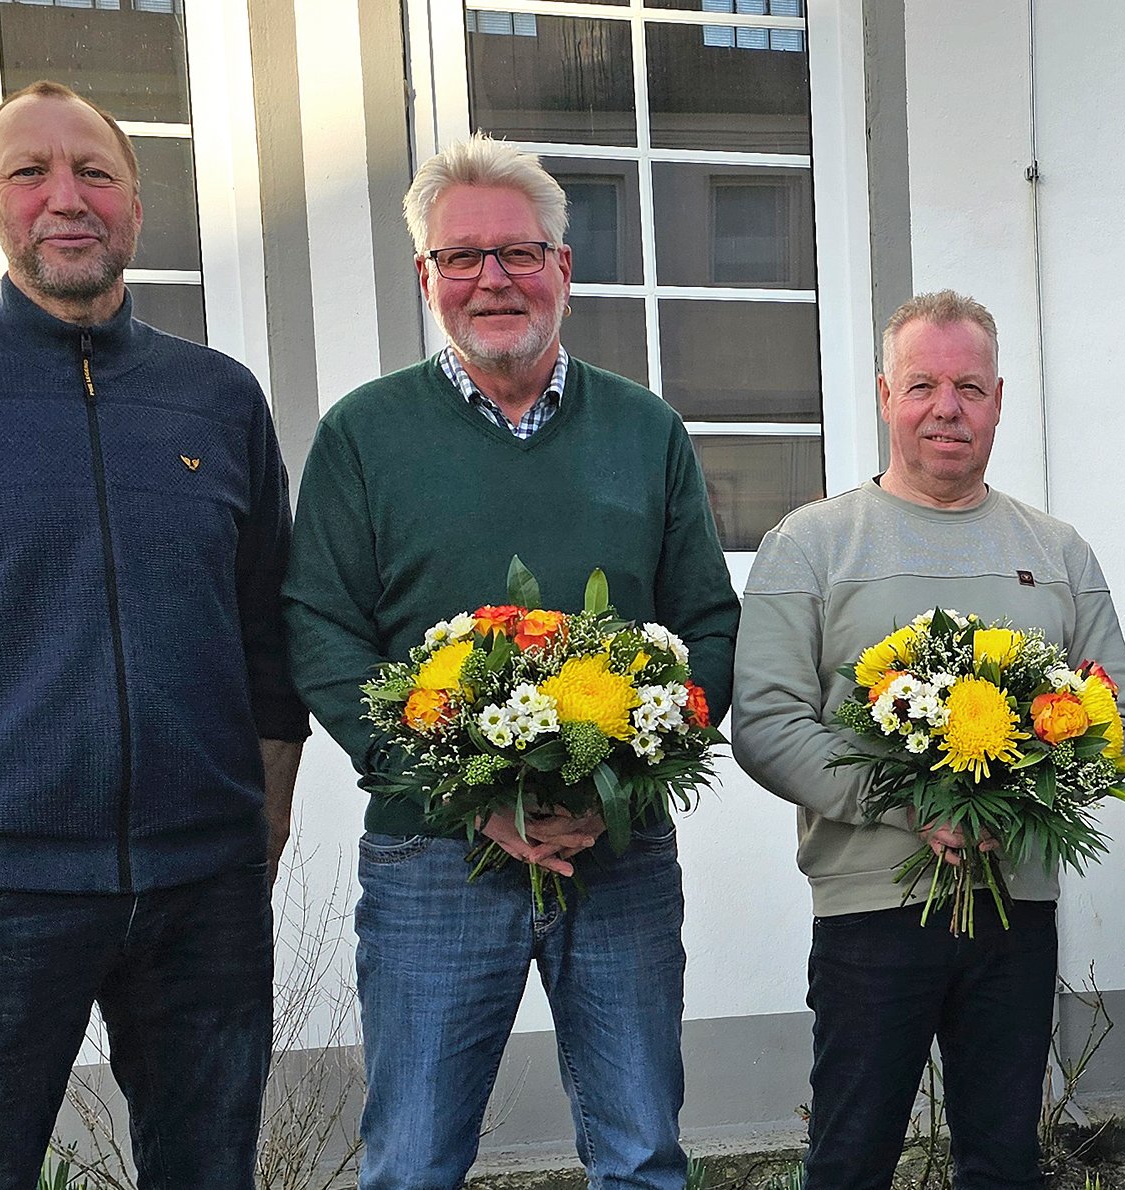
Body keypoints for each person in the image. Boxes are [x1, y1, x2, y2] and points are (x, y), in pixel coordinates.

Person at [0, 80, 307, 1188]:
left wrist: (260, 826)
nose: (64, 197)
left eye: (94, 172)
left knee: (208, 1167)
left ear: (136, 201)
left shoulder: (217, 399)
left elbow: (269, 646)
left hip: (200, 888)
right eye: (29, 173)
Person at [282, 134, 738, 1190]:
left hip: (614, 854)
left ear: (565, 270)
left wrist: (621, 790)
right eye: (462, 257)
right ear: (427, 278)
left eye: (519, 252)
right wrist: (453, 793)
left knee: (640, 1151)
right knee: (414, 1158)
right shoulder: (365, 434)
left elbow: (709, 624)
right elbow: (319, 629)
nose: (493, 277)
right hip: (431, 859)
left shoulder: (645, 429)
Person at [732, 289, 1125, 1190]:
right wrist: (910, 800)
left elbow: (1121, 716)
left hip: (1014, 906)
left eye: (970, 387)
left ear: (999, 399)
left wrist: (1020, 800)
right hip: (868, 911)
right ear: (885, 395)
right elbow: (764, 721)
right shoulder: (810, 545)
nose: (946, 408)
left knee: (1002, 1160)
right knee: (851, 1156)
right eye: (923, 385)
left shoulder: (1059, 551)